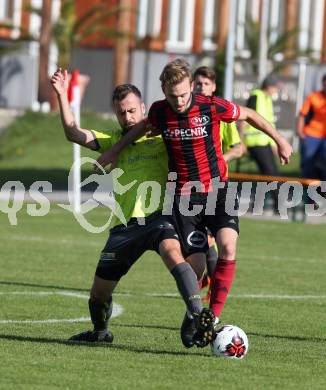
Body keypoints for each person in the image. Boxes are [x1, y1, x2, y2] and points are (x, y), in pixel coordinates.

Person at [96, 58, 292, 341]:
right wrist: (114, 151)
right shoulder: (160, 111)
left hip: (216, 191)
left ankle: (210, 317)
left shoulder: (211, 106)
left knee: (227, 246)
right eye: (172, 96)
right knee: (196, 266)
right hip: (184, 198)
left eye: (184, 95)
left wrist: (280, 140)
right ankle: (193, 314)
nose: (179, 101)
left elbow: (249, 114)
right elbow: (141, 128)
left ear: (191, 86)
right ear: (164, 91)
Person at [50, 68, 216, 348]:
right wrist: (61, 95)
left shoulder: (164, 134)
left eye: (131, 111)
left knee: (176, 256)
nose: (127, 117)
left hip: (162, 216)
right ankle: (100, 333)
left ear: (142, 107)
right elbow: (73, 133)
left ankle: (198, 315)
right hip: (126, 224)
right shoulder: (116, 139)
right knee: (98, 295)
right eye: (121, 113)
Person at [193, 66, 245, 303]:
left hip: (216, 185)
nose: (201, 87)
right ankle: (205, 284)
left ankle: (211, 289)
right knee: (203, 242)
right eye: (198, 83)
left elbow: (239, 147)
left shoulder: (220, 113)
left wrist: (222, 157)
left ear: (213, 87)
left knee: (214, 240)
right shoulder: (189, 111)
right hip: (191, 188)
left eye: (205, 83)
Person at [239, 74, 281, 212]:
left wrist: (274, 143)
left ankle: (260, 204)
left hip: (264, 142)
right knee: (270, 174)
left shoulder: (266, 98)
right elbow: (245, 117)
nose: (276, 90)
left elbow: (269, 124)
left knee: (270, 173)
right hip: (254, 142)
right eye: (275, 87)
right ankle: (278, 205)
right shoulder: (256, 96)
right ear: (269, 86)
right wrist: (241, 141)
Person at [297, 73, 326, 180]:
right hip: (311, 135)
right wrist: (300, 132)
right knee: (308, 164)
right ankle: (306, 193)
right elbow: (302, 115)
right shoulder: (313, 97)